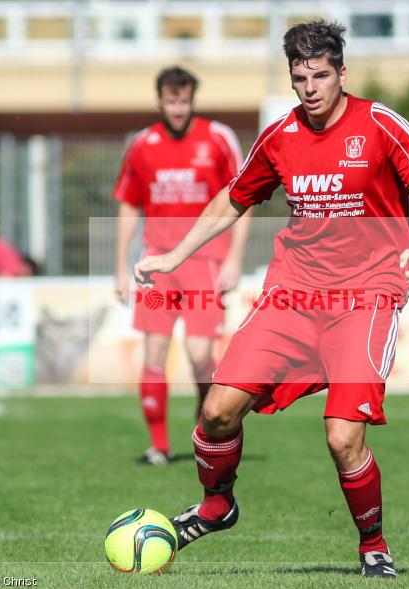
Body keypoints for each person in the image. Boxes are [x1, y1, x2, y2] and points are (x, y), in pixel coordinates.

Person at [134, 21, 409, 578]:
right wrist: (173, 256)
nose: (310, 87)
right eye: (299, 78)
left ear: (341, 73)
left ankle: (373, 545)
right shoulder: (280, 136)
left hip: (366, 298)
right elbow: (234, 198)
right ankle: (218, 505)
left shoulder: (381, 125)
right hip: (291, 296)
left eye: (320, 75)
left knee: (342, 437)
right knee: (215, 411)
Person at [114, 65, 250, 466]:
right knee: (153, 352)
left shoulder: (217, 138)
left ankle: (207, 429)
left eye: (185, 101)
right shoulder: (143, 144)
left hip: (205, 261)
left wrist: (234, 258)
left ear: (193, 100)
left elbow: (243, 197)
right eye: (171, 101)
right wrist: (120, 266)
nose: (178, 109)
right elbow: (128, 204)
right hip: (157, 262)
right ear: (160, 100)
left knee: (198, 354)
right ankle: (159, 446)